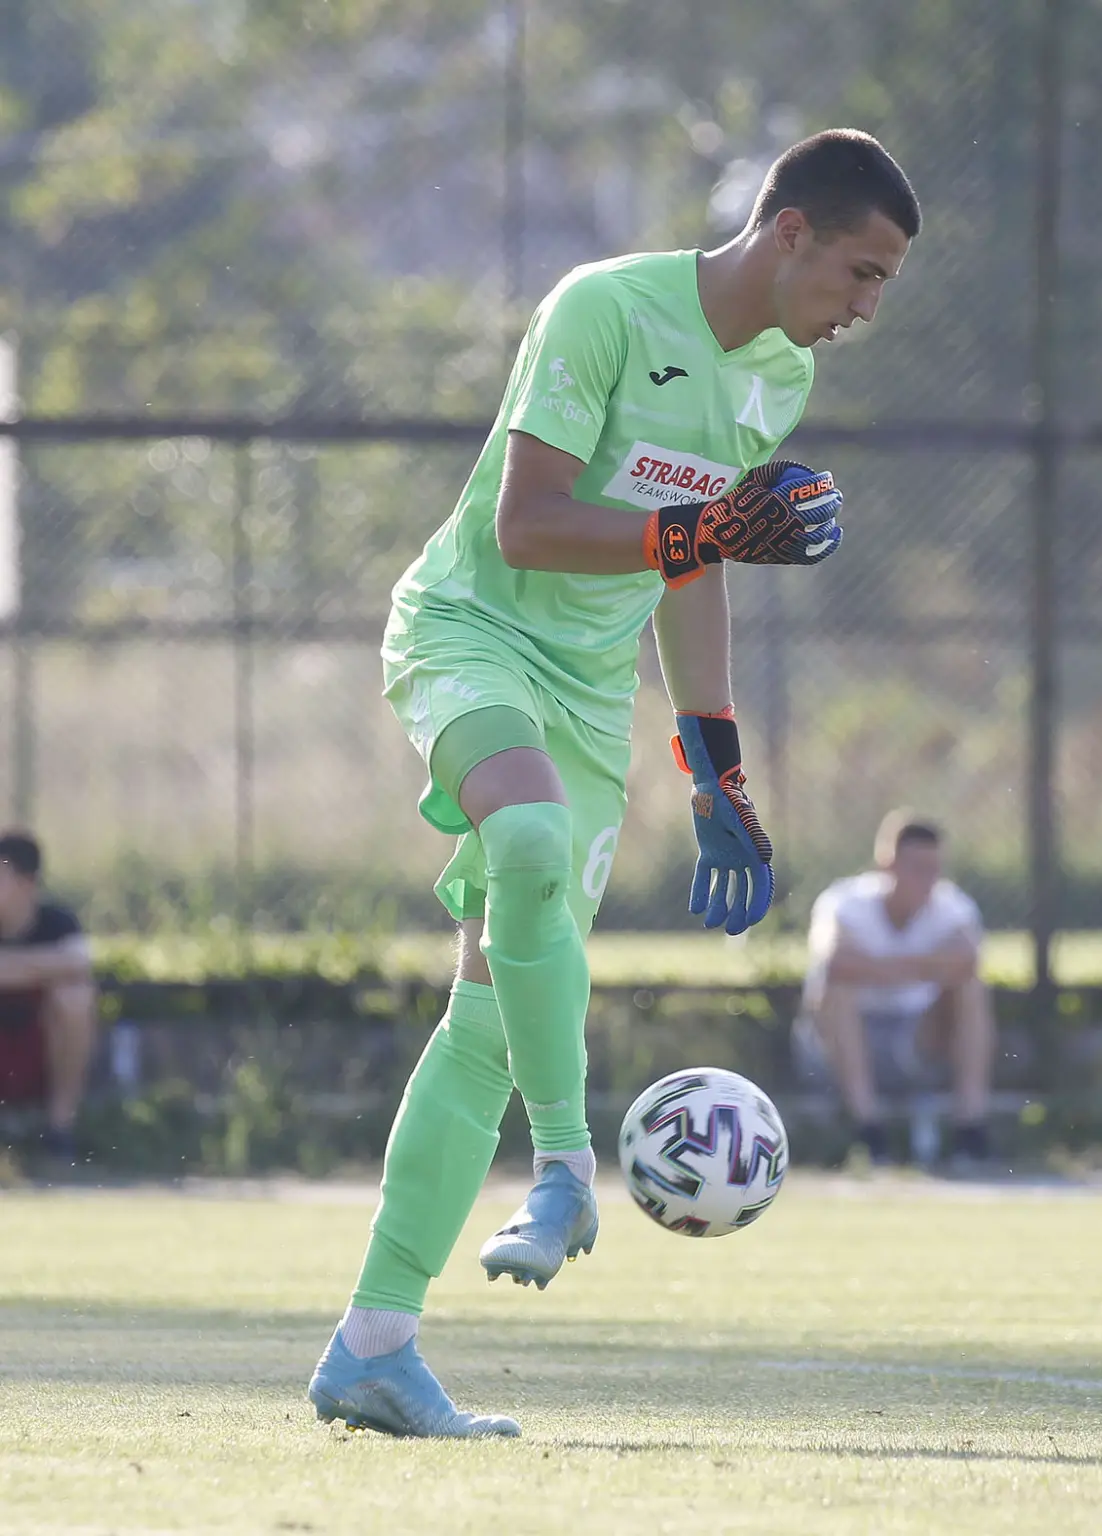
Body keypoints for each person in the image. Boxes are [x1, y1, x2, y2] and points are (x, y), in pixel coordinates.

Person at [307, 129, 920, 1439]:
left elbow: (688, 567)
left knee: (491, 1014)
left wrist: (716, 767)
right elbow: (529, 525)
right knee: (527, 838)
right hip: (472, 629)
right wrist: (704, 527)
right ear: (792, 232)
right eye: (861, 273)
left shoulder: (778, 375)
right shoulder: (603, 308)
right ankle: (569, 1166)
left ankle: (374, 1346)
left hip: (589, 697)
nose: (866, 309)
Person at [803, 810, 995, 1167]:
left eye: (934, 869)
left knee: (970, 989)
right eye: (917, 868)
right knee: (838, 990)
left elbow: (967, 962)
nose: (927, 880)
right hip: (846, 1042)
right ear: (887, 864)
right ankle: (867, 1131)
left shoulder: (952, 906)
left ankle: (970, 1129)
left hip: (917, 1038)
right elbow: (837, 963)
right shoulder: (844, 902)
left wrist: (877, 967)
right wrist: (927, 965)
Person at [0, 830, 99, 1167]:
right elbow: (64, 962)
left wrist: (12, 967)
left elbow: (79, 963)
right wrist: (45, 967)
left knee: (75, 998)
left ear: (27, 882)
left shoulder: (58, 922)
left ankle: (59, 1129)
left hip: (38, 1050)